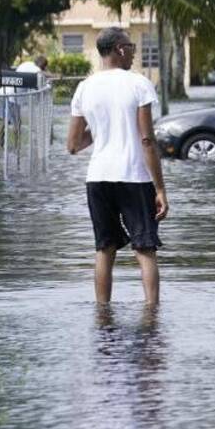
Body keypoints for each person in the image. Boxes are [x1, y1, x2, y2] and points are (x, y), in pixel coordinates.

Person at [67, 27, 169, 305]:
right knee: (145, 249)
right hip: (134, 176)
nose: (134, 53)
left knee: (104, 248)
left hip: (98, 178)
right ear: (119, 49)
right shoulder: (138, 84)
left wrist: (102, 129)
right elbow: (146, 139)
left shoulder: (84, 87)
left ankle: (102, 313)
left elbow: (73, 144)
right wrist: (160, 188)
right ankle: (152, 312)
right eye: (132, 47)